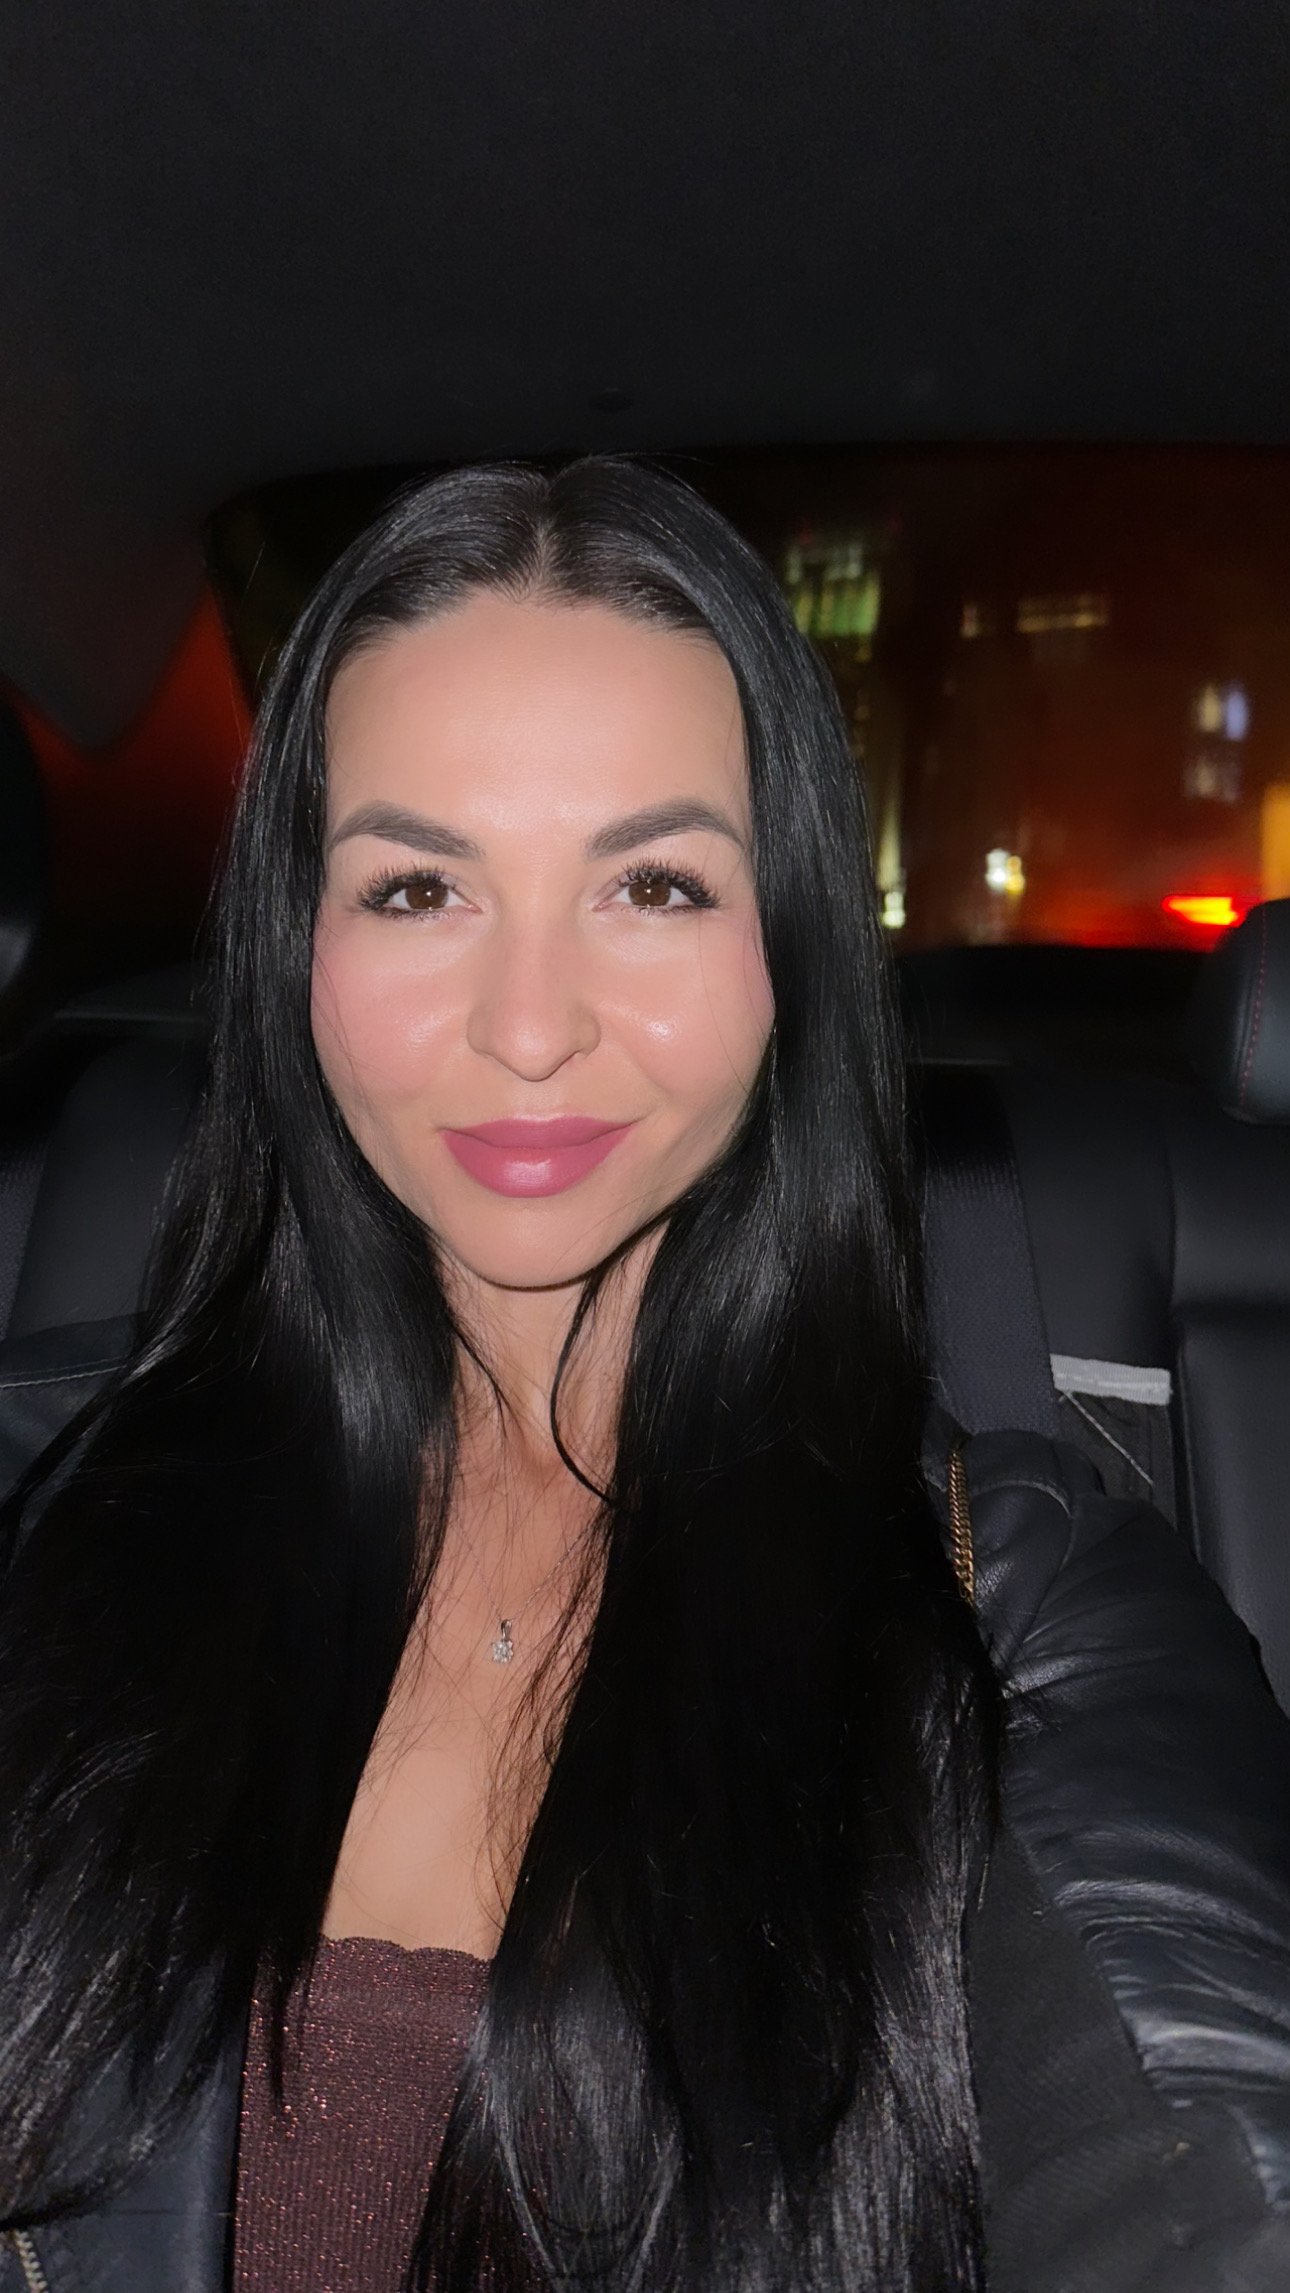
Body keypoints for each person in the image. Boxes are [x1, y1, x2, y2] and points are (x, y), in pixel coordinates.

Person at [0, 458, 1288, 2293]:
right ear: (299, 947)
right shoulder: (36, 1488)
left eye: (657, 884)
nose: (530, 1026)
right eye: (421, 885)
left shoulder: (1016, 1599)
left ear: (788, 957)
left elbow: (1197, 2143)